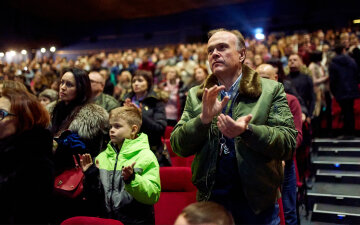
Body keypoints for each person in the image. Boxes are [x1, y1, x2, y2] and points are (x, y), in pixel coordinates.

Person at [170, 28, 297, 224]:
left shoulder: (270, 90)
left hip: (256, 201)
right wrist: (202, 120)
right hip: (212, 200)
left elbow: (288, 142)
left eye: (222, 47)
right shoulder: (197, 95)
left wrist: (248, 131)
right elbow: (178, 146)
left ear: (242, 54)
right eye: (210, 50)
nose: (214, 53)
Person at [80, 106, 161, 224]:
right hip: (108, 221)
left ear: (133, 130)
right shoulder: (102, 157)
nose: (112, 130)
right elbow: (95, 200)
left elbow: (152, 195)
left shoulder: (146, 156)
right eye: (111, 126)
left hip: (136, 221)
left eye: (117, 126)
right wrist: (90, 175)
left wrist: (132, 179)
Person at [47, 68, 109, 221]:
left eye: (69, 84)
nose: (62, 87)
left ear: (81, 88)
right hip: (49, 179)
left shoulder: (92, 118)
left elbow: (87, 153)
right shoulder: (51, 111)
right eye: (62, 82)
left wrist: (58, 145)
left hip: (74, 184)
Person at [257, 64, 303, 225]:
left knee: (289, 211)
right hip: (260, 164)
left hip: (285, 162)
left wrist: (280, 153)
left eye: (266, 78)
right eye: (258, 79)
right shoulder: (251, 102)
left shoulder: (290, 100)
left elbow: (296, 135)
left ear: (276, 79)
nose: (262, 83)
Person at [0, 88, 54, 224]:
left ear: (24, 119)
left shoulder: (36, 163)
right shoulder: (5, 149)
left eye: (1, 113)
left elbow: (28, 216)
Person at [121, 70, 169, 166]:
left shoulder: (156, 102)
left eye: (140, 80)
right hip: (129, 150)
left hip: (151, 150)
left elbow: (160, 128)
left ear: (148, 83)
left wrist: (140, 114)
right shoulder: (124, 101)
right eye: (134, 81)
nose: (136, 84)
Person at [329, 44, 360, 137]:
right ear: (343, 50)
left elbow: (332, 80)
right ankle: (351, 131)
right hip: (352, 90)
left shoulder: (333, 63)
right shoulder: (352, 61)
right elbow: (357, 75)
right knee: (350, 111)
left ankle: (347, 132)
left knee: (344, 111)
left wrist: (334, 92)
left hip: (340, 91)